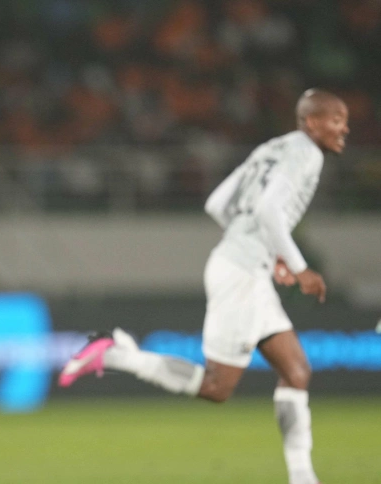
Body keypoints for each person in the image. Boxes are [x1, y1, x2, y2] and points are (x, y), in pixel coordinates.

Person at [59, 89, 349, 484]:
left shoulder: (273, 147)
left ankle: (302, 477)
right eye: (336, 120)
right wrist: (299, 267)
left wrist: (265, 252)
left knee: (296, 371)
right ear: (312, 122)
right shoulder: (308, 154)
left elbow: (217, 203)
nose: (344, 128)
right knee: (216, 387)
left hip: (246, 268)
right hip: (241, 276)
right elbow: (267, 210)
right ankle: (115, 356)